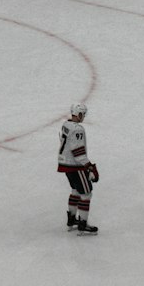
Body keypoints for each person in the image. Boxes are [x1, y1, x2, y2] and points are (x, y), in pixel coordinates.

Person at [57, 100, 99, 234]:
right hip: (75, 165)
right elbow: (77, 151)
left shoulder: (66, 124)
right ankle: (83, 223)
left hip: (64, 164)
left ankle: (71, 219)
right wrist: (89, 166)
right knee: (86, 193)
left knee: (75, 190)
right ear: (79, 113)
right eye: (83, 114)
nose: (83, 117)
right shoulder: (77, 129)